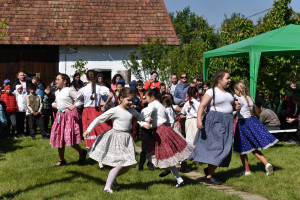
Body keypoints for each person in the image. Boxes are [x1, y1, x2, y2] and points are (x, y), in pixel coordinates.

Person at [83, 88, 150, 194]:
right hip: (116, 137)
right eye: (128, 100)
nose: (130, 103)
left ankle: (112, 178)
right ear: (121, 98)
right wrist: (88, 130)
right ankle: (107, 188)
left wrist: (147, 118)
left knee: (128, 164)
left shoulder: (131, 110)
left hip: (127, 139)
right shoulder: (115, 110)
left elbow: (139, 117)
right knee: (120, 163)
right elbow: (99, 119)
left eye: (132, 100)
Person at [189, 70, 240, 185]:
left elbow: (229, 106)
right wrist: (198, 119)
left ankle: (209, 170)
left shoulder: (229, 92)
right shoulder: (212, 91)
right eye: (227, 78)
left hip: (227, 121)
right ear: (219, 80)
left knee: (224, 148)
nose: (230, 80)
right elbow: (202, 105)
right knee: (218, 148)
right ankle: (209, 175)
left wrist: (235, 107)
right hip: (215, 121)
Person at [140, 89, 194, 187]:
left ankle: (179, 180)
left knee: (157, 157)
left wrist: (139, 117)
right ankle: (180, 180)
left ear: (152, 98)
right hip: (165, 129)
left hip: (160, 132)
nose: (145, 99)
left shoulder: (153, 105)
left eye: (146, 97)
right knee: (164, 157)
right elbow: (166, 119)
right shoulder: (160, 105)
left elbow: (145, 113)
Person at [233, 80, 278, 176]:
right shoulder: (250, 98)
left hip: (243, 123)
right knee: (253, 147)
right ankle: (266, 164)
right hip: (252, 121)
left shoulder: (238, 99)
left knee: (242, 148)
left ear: (238, 90)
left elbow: (234, 109)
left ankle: (247, 170)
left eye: (235, 90)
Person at [50, 73, 87, 167]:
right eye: (56, 79)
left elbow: (81, 99)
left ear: (65, 81)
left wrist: (74, 106)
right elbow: (55, 102)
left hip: (69, 116)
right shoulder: (57, 91)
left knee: (70, 138)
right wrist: (55, 105)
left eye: (58, 79)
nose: (56, 81)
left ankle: (82, 152)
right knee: (59, 138)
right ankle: (61, 159)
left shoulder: (69, 90)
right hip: (60, 116)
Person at [76, 70, 113, 149]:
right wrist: (106, 103)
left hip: (87, 112)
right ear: (96, 77)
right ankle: (103, 147)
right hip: (97, 110)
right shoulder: (100, 88)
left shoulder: (83, 89)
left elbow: (78, 99)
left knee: (90, 130)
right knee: (101, 127)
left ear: (86, 78)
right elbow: (110, 95)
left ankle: (94, 150)